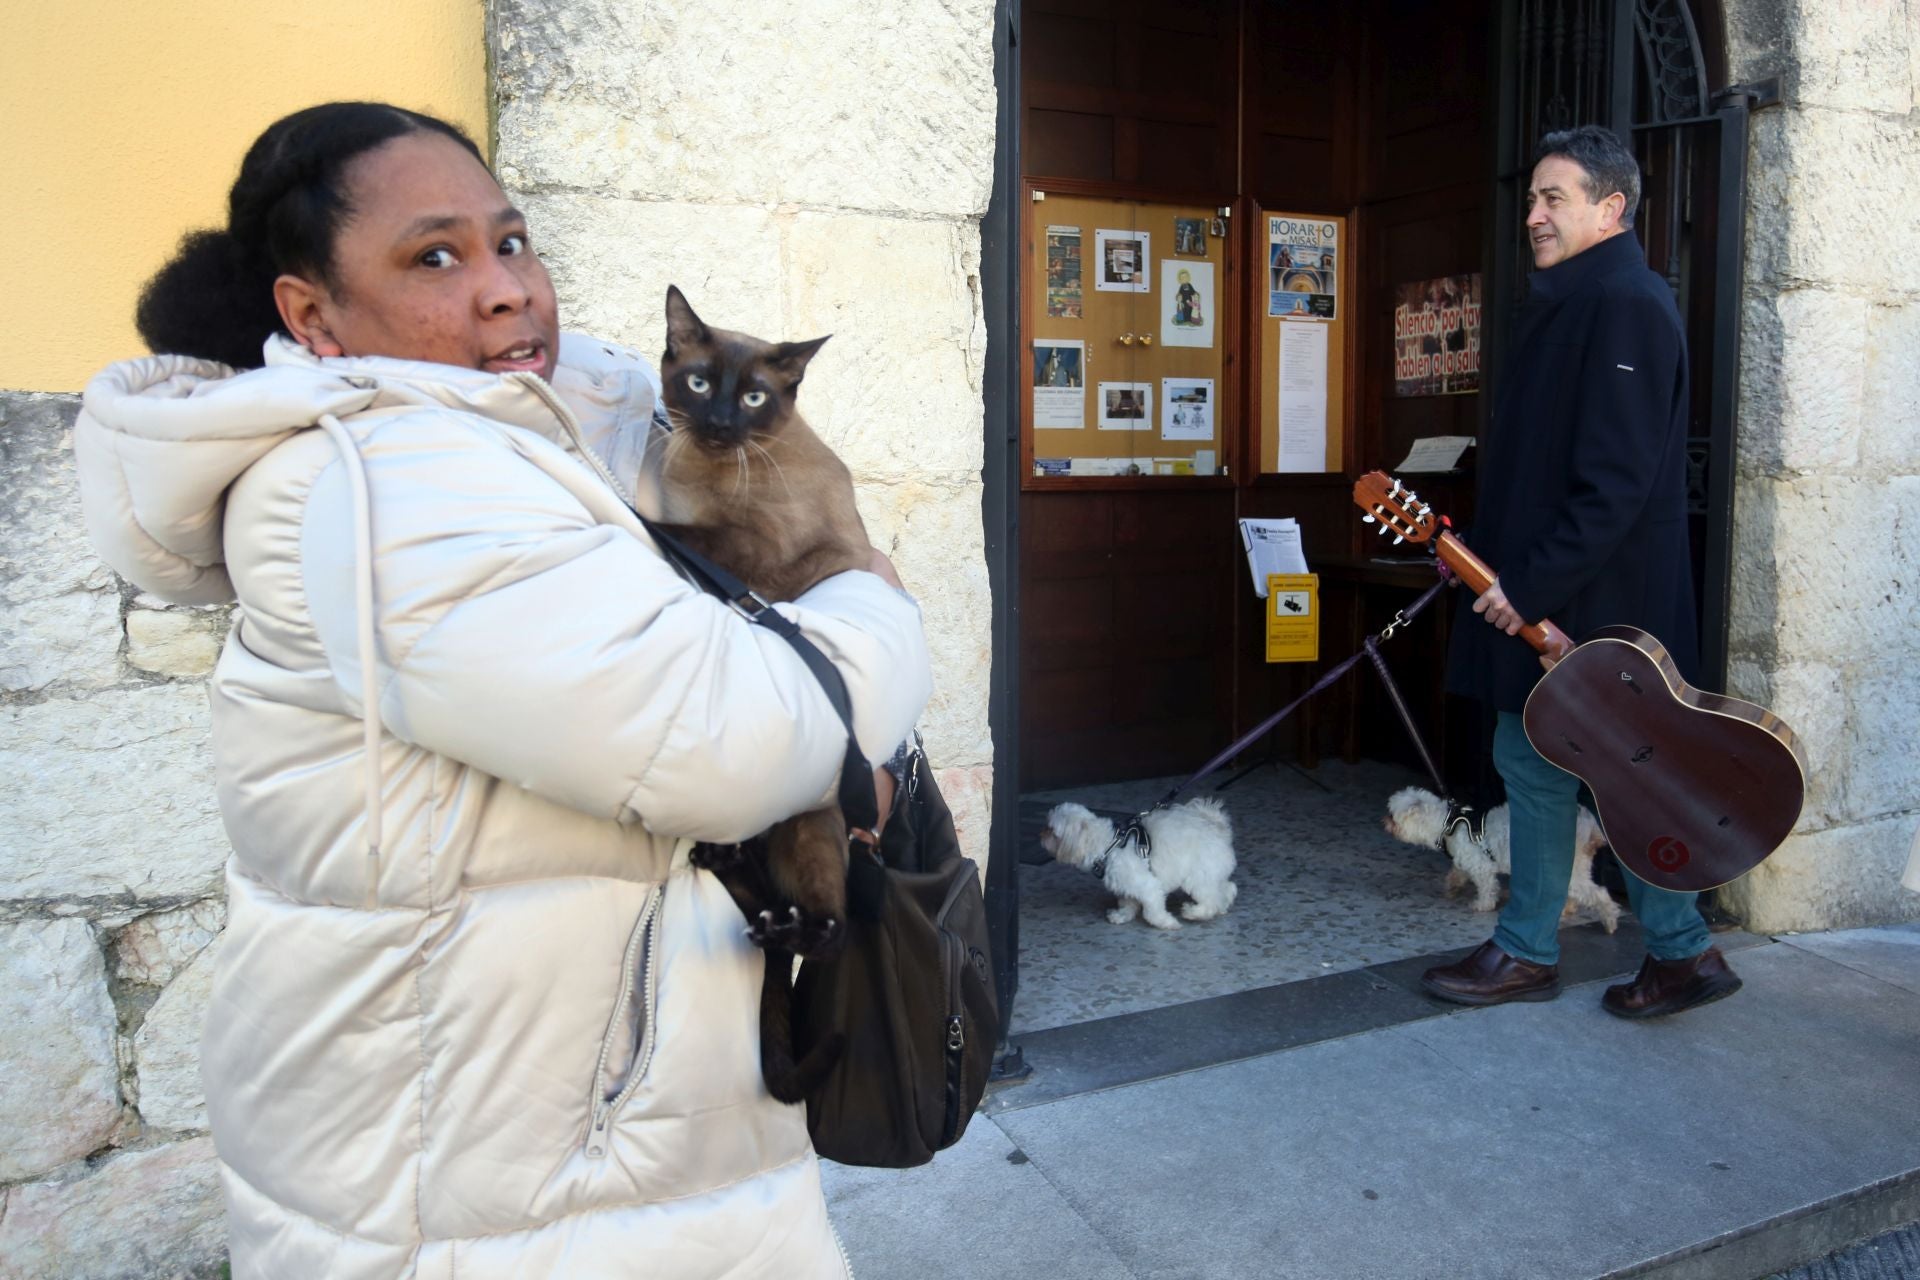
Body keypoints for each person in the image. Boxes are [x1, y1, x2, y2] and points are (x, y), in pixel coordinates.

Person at [73, 102, 931, 1277]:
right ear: (309, 311)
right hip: (498, 1187)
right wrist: (879, 600)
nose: (506, 288)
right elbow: (727, 737)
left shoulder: (498, 431)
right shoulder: (382, 488)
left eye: (512, 242)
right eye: (436, 256)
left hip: (569, 1134)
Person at [1425, 124, 1740, 1019]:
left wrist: (1527, 589)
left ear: (1613, 207)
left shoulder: (1626, 305)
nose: (1533, 216)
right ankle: (1677, 951)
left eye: (1552, 198)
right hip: (1564, 597)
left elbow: (1614, 487)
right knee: (1582, 767)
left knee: (1552, 763)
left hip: (1597, 608)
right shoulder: (1580, 301)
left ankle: (1535, 949)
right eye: (1532, 199)